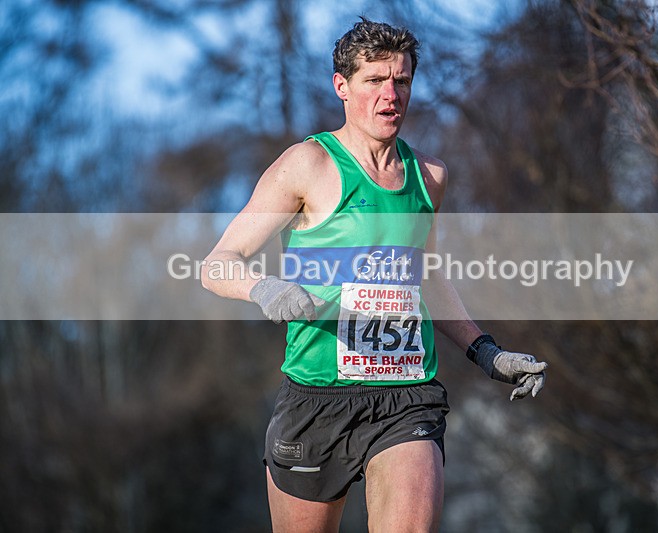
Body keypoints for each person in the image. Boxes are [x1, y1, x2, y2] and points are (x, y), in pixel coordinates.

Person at [201, 18, 547, 533]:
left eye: (402, 81)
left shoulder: (429, 177)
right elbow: (217, 264)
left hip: (406, 394)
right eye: (374, 81)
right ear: (341, 86)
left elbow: (427, 277)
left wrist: (487, 353)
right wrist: (263, 288)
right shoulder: (309, 165)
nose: (391, 95)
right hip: (316, 397)